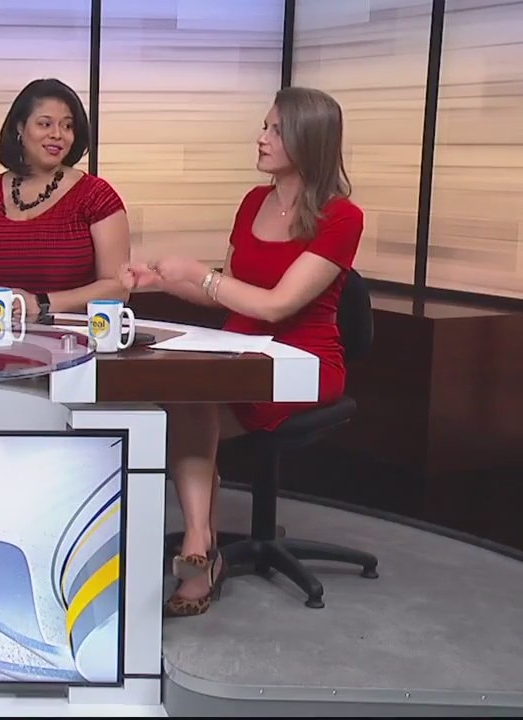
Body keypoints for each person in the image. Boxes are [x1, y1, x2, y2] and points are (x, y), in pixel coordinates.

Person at [121, 86, 363, 617]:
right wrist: (161, 281)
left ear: (309, 139)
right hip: (238, 350)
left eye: (275, 129)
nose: (261, 137)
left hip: (302, 360)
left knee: (193, 403)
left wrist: (199, 273)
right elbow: (228, 290)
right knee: (189, 396)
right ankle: (201, 546)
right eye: (264, 126)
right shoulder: (254, 201)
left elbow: (276, 306)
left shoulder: (343, 217)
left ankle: (200, 552)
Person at [0, 78, 131, 321]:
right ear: (20, 128)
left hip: (70, 338)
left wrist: (40, 303)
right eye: (45, 124)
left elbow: (117, 287)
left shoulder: (96, 197)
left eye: (67, 126)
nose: (57, 135)